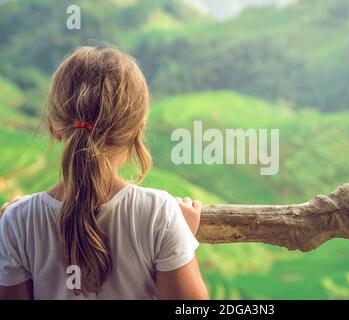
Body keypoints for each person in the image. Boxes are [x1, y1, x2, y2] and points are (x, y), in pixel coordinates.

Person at [0, 47, 209, 300]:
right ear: (137, 132)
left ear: (54, 127)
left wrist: (19, 215)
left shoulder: (17, 223)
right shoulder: (159, 214)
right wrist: (180, 237)